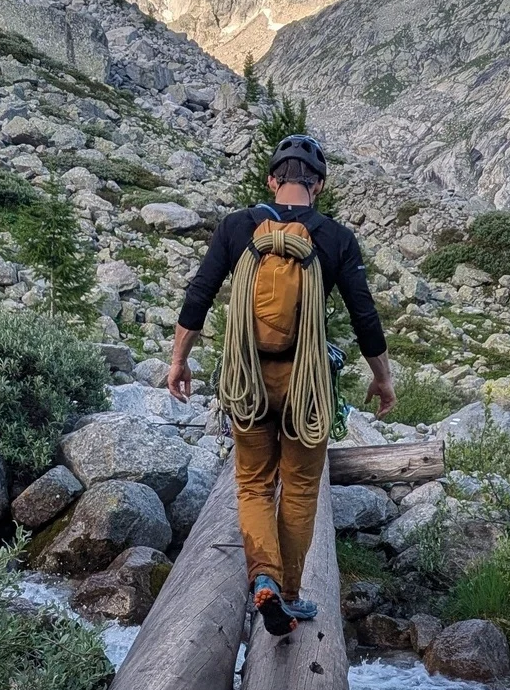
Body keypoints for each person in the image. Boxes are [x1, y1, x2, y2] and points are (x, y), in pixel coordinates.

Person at [168, 133, 395, 636]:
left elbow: (199, 295)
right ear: (319, 185)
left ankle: (263, 578)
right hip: (305, 385)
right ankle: (288, 596)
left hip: (248, 380)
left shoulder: (237, 228)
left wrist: (179, 360)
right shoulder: (335, 238)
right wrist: (382, 378)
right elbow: (364, 316)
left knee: (252, 483)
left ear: (273, 180)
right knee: (299, 488)